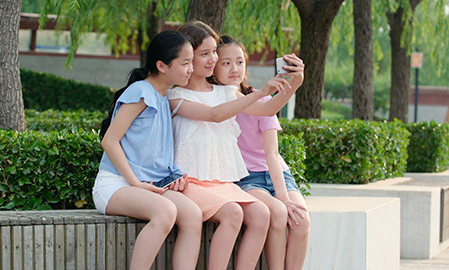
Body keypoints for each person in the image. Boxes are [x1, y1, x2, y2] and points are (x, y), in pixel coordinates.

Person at [166, 21, 303, 270]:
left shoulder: (227, 93)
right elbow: (215, 115)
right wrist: (260, 91)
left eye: (213, 53)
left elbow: (267, 109)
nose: (212, 59)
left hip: (222, 182)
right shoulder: (176, 96)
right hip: (191, 180)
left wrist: (294, 84)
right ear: (187, 56)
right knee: (234, 213)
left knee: (262, 214)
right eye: (204, 54)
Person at [92, 30, 202, 270]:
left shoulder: (163, 99)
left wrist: (175, 177)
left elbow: (154, 152)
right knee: (165, 211)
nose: (191, 69)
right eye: (185, 63)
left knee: (193, 215)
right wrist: (135, 183)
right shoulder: (140, 92)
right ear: (162, 65)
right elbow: (109, 141)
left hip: (147, 186)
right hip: (115, 185)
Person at [213, 35, 310, 270]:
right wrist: (282, 201)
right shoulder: (216, 102)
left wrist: (284, 195)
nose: (234, 69)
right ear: (213, 69)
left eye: (239, 62)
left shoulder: (262, 97)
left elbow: (272, 154)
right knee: (277, 212)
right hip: (247, 178)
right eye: (226, 63)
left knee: (301, 220)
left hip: (277, 174)